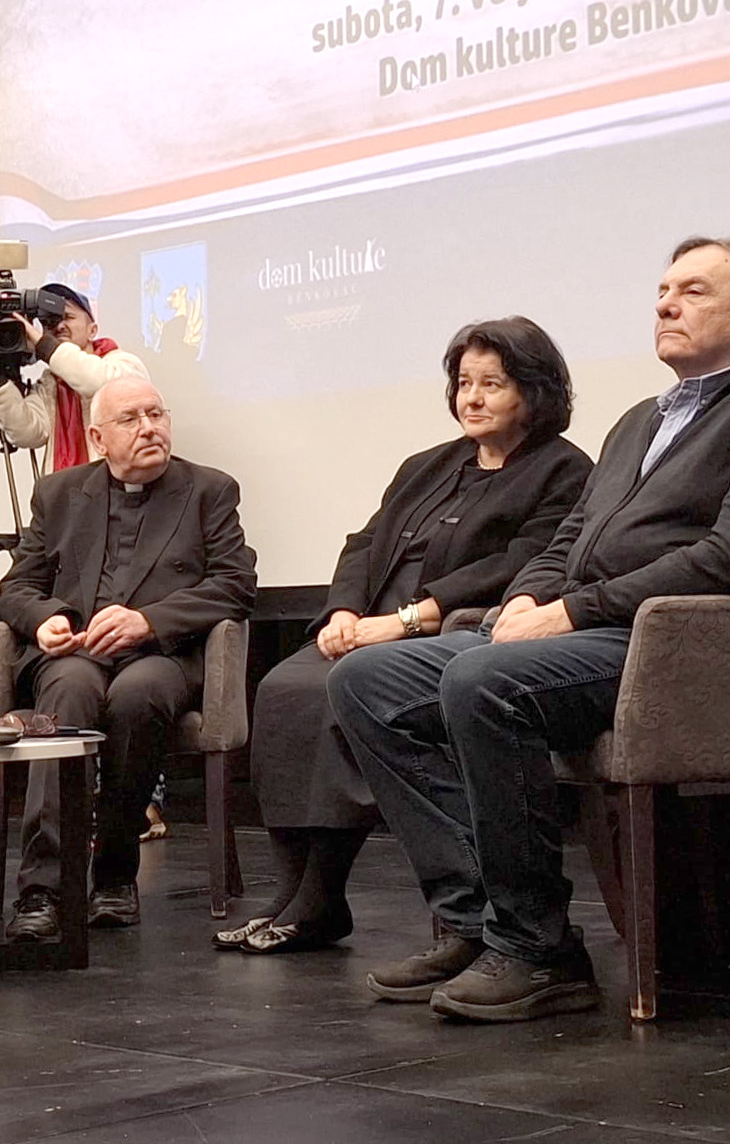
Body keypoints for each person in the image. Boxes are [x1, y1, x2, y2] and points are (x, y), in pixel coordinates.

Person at [329, 237, 730, 1022]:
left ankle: (536, 947)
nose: (665, 303)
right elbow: (569, 536)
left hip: (672, 641)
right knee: (364, 680)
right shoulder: (641, 420)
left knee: (480, 680)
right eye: (662, 290)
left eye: (693, 291)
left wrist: (573, 609)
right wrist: (525, 598)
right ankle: (475, 920)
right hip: (587, 630)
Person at [219, 318, 592, 956]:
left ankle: (320, 895)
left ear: (534, 391)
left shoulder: (564, 470)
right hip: (367, 627)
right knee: (283, 689)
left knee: (332, 695)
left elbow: (518, 563)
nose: (472, 398)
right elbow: (365, 543)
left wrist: (406, 621)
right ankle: (292, 888)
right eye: (463, 383)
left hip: (442, 636)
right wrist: (341, 611)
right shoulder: (428, 464)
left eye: (492, 384)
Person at [0, 376, 257, 940]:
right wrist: (46, 618)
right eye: (131, 419)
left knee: (137, 695)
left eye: (156, 414)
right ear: (98, 438)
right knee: (69, 691)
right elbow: (17, 586)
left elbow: (236, 585)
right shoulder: (59, 494)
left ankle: (114, 875)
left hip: (162, 654)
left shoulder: (209, 490)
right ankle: (42, 888)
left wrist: (149, 621)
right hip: (78, 652)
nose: (149, 428)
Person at [0, 283, 149, 470]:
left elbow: (98, 383)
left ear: (92, 330)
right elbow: (27, 434)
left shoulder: (124, 364)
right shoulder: (50, 384)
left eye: (68, 317)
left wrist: (44, 345)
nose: (60, 326)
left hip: (116, 484)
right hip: (65, 486)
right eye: (50, 322)